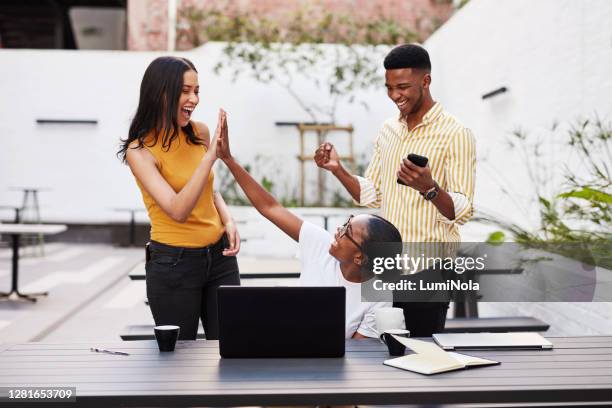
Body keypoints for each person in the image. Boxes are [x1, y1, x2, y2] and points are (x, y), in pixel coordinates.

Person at [315, 43, 477, 336]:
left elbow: (461, 210)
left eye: (402, 87)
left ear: (425, 81)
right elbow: (371, 193)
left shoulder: (456, 133)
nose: (395, 96)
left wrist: (429, 188)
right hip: (384, 270)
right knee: (378, 362)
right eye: (389, 88)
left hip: (428, 273)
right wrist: (338, 170)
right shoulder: (388, 130)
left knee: (423, 356)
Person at [215, 113, 402, 339]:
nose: (338, 231)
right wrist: (228, 159)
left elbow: (356, 353)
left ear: (360, 258)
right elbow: (270, 208)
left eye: (347, 232)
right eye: (345, 223)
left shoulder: (378, 293)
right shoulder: (321, 243)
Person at [117, 56, 240, 340]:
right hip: (174, 264)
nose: (194, 99)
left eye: (197, 90)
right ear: (161, 92)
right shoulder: (140, 150)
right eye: (185, 90)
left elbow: (206, 188)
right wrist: (211, 157)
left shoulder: (199, 132)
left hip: (220, 257)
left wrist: (228, 219)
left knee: (234, 346)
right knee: (179, 360)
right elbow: (177, 209)